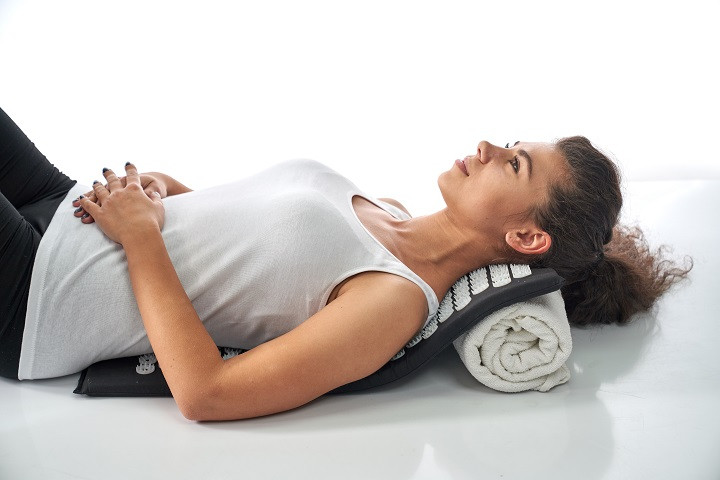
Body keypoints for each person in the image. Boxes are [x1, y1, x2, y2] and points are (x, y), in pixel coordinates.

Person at [0, 106, 690, 420]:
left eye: (514, 163)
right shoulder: (386, 208)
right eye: (511, 143)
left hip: (38, 296)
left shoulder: (393, 303)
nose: (486, 146)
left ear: (528, 238)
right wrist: (168, 193)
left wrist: (145, 240)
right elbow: (241, 254)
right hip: (67, 208)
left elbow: (208, 393)